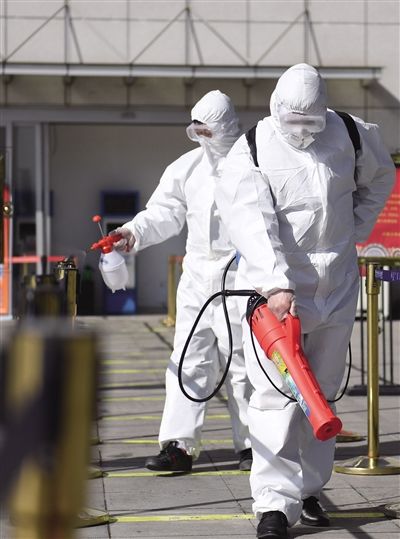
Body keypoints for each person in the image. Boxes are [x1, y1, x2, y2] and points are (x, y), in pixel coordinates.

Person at [214, 64, 395, 538]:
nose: (301, 132)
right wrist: (276, 282)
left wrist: (355, 229)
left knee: (323, 393)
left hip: (337, 285)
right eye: (292, 122)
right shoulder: (252, 149)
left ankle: (310, 489)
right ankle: (273, 504)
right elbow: (250, 221)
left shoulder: (351, 133)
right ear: (275, 108)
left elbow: (380, 177)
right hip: (277, 296)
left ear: (325, 112)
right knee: (275, 396)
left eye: (311, 123)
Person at [112, 90, 253, 473]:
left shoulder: (255, 164)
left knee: (244, 364)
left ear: (226, 128)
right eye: (197, 131)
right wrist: (133, 231)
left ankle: (252, 446)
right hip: (197, 278)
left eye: (208, 131)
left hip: (241, 278)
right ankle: (178, 446)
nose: (202, 138)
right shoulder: (187, 167)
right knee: (187, 359)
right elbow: (164, 211)